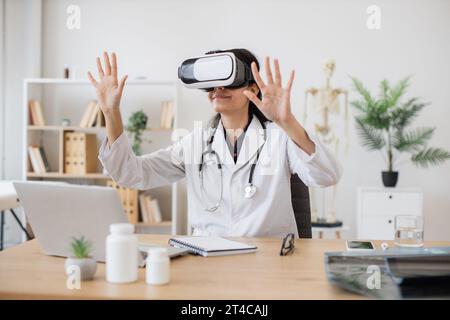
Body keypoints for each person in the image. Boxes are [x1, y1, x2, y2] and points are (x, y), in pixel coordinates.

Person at [88, 49, 342, 237]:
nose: (218, 88)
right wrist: (111, 114)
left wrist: (288, 122)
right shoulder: (194, 143)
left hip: (270, 261)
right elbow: (130, 174)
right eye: (211, 82)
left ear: (253, 89)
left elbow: (327, 176)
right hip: (208, 260)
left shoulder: (280, 138)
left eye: (228, 79)